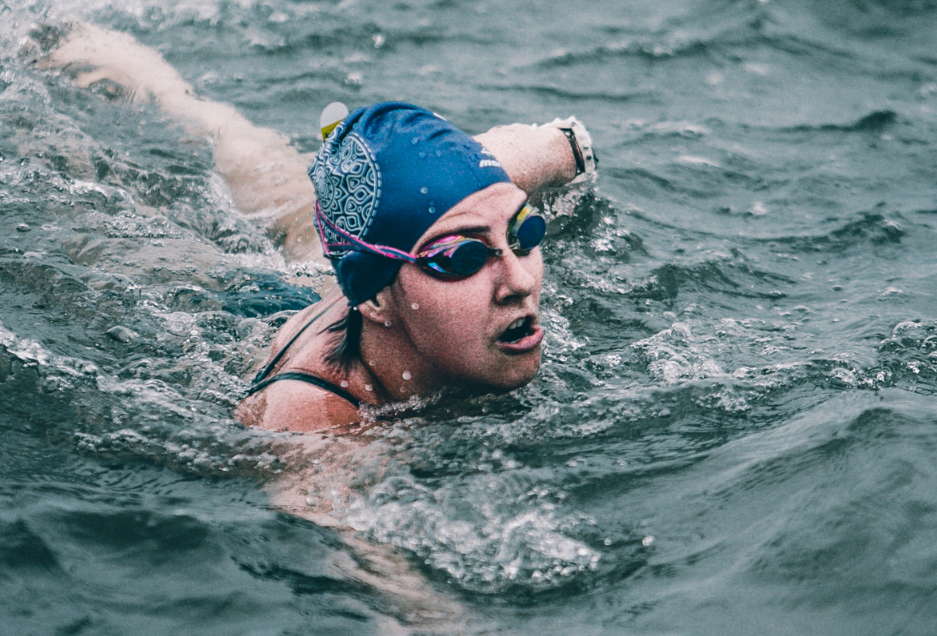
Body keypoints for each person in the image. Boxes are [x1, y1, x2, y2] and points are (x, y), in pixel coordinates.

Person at [36, 23, 594, 433]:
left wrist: (570, 150)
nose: (519, 280)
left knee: (248, 151)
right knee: (89, 219)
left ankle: (171, 91)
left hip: (348, 273)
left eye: (523, 235)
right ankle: (75, 94)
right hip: (237, 308)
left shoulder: (468, 204)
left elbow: (545, 149)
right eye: (463, 259)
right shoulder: (315, 422)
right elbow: (361, 561)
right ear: (376, 297)